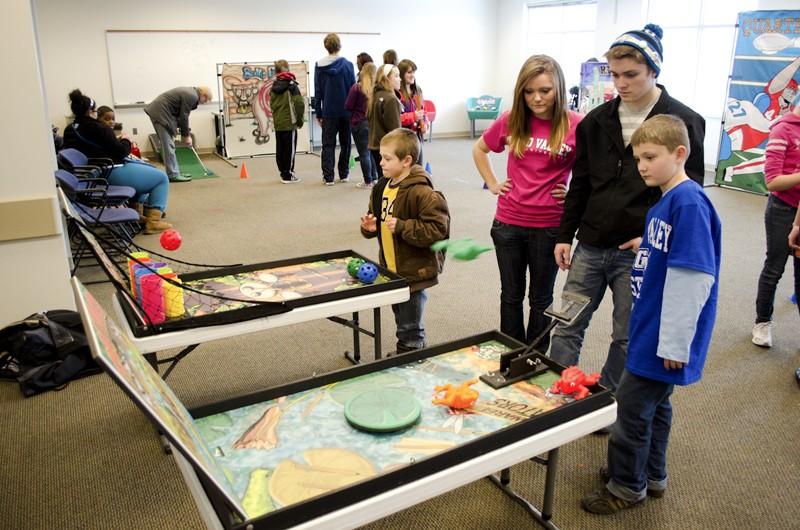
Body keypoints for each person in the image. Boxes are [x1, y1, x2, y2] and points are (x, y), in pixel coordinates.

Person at [549, 24, 706, 393]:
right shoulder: (595, 121)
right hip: (589, 243)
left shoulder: (684, 122)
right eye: (615, 75)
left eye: (631, 75)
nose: (621, 83)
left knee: (628, 334)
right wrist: (564, 235)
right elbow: (581, 184)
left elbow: (687, 193)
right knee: (567, 323)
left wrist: (651, 238)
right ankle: (554, 396)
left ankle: (608, 401)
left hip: (637, 251)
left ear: (654, 70)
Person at [581, 114, 721, 514]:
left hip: (664, 338)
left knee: (630, 409)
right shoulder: (668, 199)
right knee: (657, 407)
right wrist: (648, 242)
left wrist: (675, 343)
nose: (640, 165)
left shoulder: (689, 203)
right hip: (650, 329)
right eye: (638, 157)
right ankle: (651, 473)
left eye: (649, 157)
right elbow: (672, 247)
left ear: (679, 154)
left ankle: (626, 485)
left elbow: (693, 277)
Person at [473, 55, 581, 350]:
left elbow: (595, 171)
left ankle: (534, 357)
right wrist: (493, 183)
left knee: (541, 299)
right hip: (508, 223)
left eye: (545, 91)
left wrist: (574, 195)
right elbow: (480, 149)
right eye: (529, 91)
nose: (536, 98)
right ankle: (511, 352)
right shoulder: (512, 119)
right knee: (511, 294)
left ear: (558, 88)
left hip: (550, 226)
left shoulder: (575, 125)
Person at [360, 128, 449, 353]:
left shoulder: (422, 192)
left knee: (411, 325)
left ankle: (411, 355)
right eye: (381, 157)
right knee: (400, 315)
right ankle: (407, 350)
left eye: (387, 158)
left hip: (414, 269)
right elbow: (377, 219)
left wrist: (402, 226)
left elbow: (438, 229)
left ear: (407, 160)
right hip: (392, 266)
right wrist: (370, 228)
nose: (381, 163)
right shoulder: (382, 187)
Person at [63, 89, 172, 234]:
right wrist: (127, 140)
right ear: (91, 111)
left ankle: (137, 215)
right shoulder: (98, 128)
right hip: (107, 173)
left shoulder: (69, 129)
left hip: (88, 175)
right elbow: (121, 152)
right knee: (161, 178)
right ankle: (153, 221)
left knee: (145, 173)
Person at [753, 93, 800, 347]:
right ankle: (762, 322)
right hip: (782, 208)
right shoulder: (783, 130)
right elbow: (773, 182)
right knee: (775, 267)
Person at [144, 86, 212, 183]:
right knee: (168, 144)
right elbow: (184, 116)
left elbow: (180, 115)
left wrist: (185, 131)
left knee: (169, 144)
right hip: (161, 113)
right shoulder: (192, 96)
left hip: (163, 113)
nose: (204, 103)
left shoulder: (191, 93)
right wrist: (187, 136)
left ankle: (175, 172)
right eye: (206, 100)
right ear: (203, 95)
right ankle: (173, 174)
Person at [314, 33, 356, 186]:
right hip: (346, 112)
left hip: (329, 112)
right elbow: (354, 90)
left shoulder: (319, 66)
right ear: (339, 46)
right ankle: (344, 174)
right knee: (345, 144)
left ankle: (328, 177)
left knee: (328, 145)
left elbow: (318, 91)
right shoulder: (349, 65)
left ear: (326, 47)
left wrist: (318, 113)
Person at [270, 60, 306, 184]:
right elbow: (299, 104)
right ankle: (288, 174)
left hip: (278, 122)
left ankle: (283, 172)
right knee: (290, 149)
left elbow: (272, 105)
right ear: (286, 69)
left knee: (280, 148)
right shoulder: (292, 85)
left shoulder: (273, 86)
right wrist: (300, 120)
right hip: (289, 122)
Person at [345, 62, 379, 188]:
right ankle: (375, 177)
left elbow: (348, 106)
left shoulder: (356, 88)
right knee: (372, 152)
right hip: (373, 124)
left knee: (364, 153)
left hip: (359, 124)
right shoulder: (377, 89)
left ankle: (367, 181)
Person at [368, 64, 403, 179]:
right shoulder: (391, 99)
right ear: (387, 78)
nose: (400, 79)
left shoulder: (374, 95)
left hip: (375, 145)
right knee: (389, 180)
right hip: (387, 146)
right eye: (396, 76)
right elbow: (395, 130)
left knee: (381, 177)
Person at [398, 59, 428, 165]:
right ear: (401, 74)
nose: (412, 76)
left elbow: (423, 111)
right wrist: (413, 116)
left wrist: (425, 124)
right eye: (409, 72)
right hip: (403, 138)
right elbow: (396, 118)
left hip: (417, 137)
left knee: (418, 167)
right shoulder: (397, 94)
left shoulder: (417, 90)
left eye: (413, 72)